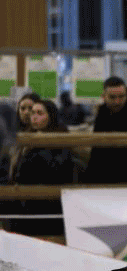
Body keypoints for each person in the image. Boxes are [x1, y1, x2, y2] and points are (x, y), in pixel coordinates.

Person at [8, 99, 76, 236]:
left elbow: (57, 171)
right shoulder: (27, 138)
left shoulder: (60, 139)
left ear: (50, 116)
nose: (34, 116)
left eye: (40, 113)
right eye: (33, 113)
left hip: (47, 207)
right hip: (24, 203)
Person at [83, 77, 127, 184]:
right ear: (104, 96)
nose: (117, 101)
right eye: (112, 97)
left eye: (121, 97)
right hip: (105, 178)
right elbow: (97, 150)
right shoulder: (103, 113)